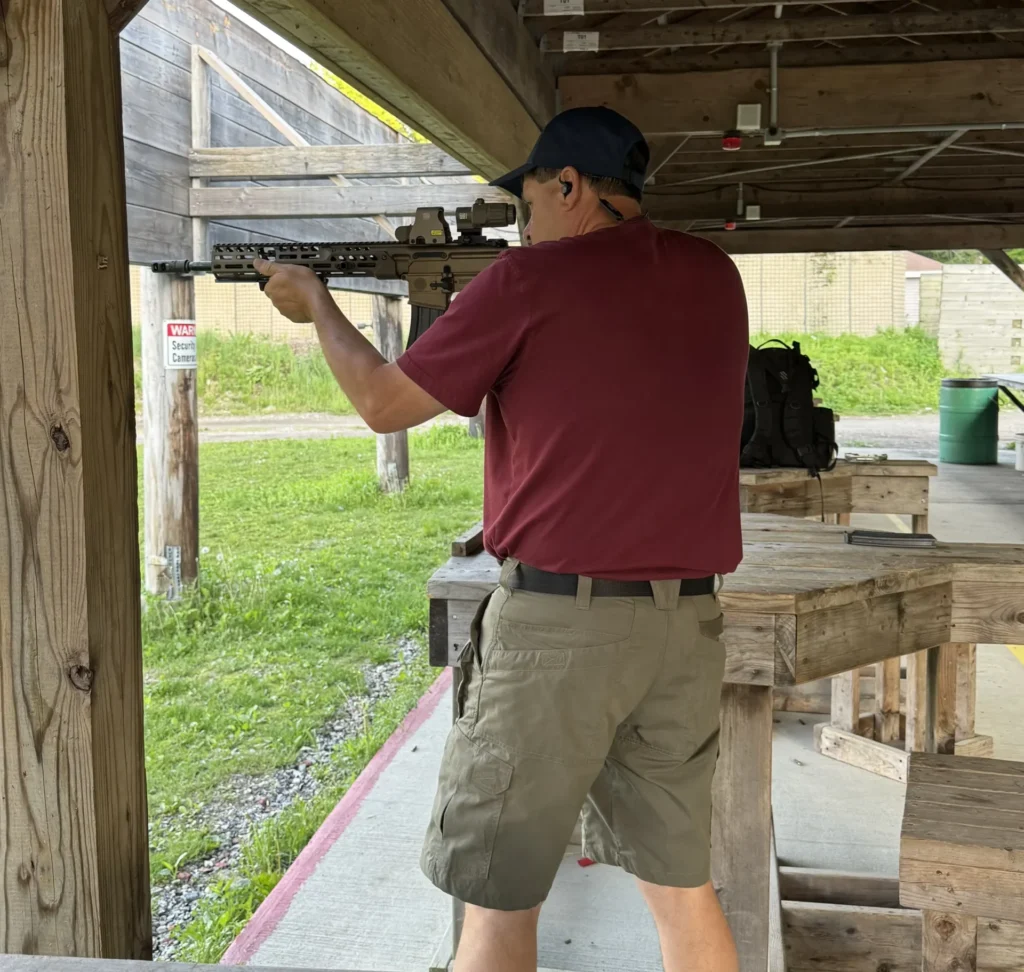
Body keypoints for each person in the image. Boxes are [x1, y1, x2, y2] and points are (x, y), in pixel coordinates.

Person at [256, 105, 748, 972]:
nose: (523, 226)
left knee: (496, 898)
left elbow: (382, 405)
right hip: (686, 629)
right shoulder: (715, 276)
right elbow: (593, 382)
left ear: (569, 185)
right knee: (680, 890)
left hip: (561, 632)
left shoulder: (526, 284)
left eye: (528, 202)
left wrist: (319, 307)